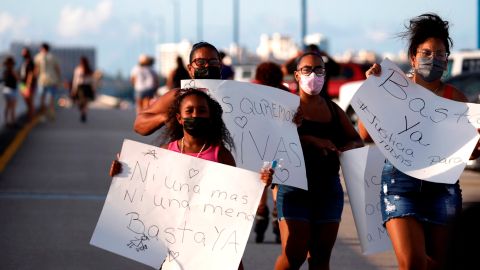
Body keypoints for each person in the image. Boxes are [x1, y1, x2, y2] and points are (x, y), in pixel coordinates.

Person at [363, 13, 480, 270]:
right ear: (413, 57)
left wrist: (474, 146)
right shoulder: (395, 89)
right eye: (426, 53)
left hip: (442, 189)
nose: (433, 59)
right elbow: (364, 133)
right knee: (412, 262)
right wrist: (373, 90)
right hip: (399, 185)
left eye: (440, 54)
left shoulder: (456, 99)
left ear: (447, 59)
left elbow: (469, 152)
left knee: (439, 263)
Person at [110, 88, 274, 270]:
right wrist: (121, 173)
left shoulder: (221, 154)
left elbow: (240, 199)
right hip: (174, 245)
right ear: (179, 118)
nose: (195, 115)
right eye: (189, 111)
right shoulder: (166, 152)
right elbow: (145, 192)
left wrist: (261, 184)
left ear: (210, 117)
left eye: (202, 111)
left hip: (213, 242)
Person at [274, 52, 364, 270]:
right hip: (294, 188)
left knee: (321, 258)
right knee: (294, 254)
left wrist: (342, 148)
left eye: (319, 70)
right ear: (296, 75)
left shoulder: (333, 109)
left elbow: (356, 141)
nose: (313, 75)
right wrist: (310, 139)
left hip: (328, 190)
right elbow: (272, 144)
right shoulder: (285, 108)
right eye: (307, 70)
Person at [133, 41, 222, 135]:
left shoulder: (235, 94)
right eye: (200, 62)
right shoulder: (179, 96)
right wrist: (166, 117)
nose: (207, 66)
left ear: (220, 66)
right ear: (190, 69)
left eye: (213, 62)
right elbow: (139, 125)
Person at [251, 61, 289, 244]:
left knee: (260, 184)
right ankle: (276, 215)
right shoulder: (284, 93)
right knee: (277, 184)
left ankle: (261, 214)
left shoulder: (252, 90)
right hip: (276, 145)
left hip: (256, 145)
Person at [34, 42, 61, 120]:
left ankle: (43, 115)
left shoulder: (38, 57)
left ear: (42, 48)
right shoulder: (53, 57)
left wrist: (34, 79)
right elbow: (57, 69)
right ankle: (52, 115)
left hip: (42, 80)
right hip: (53, 80)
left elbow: (36, 70)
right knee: (51, 99)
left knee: (42, 99)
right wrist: (59, 79)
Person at [71, 56, 95, 122]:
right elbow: (75, 80)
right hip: (83, 87)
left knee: (84, 102)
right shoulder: (78, 69)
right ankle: (83, 112)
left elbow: (91, 80)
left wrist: (74, 89)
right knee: (82, 102)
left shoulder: (88, 70)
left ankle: (83, 113)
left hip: (83, 87)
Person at [18, 47, 36, 121]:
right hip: (22, 84)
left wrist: (28, 85)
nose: (22, 53)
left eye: (24, 52)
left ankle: (31, 117)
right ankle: (29, 115)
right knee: (26, 100)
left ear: (27, 53)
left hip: (27, 85)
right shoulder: (24, 62)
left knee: (30, 101)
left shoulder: (31, 62)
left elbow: (31, 74)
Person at [2, 56, 19, 128]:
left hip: (5, 90)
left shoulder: (5, 72)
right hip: (12, 90)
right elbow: (18, 80)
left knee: (7, 106)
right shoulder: (13, 71)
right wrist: (25, 89)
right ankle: (13, 122)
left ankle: (6, 122)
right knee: (13, 107)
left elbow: (3, 80)